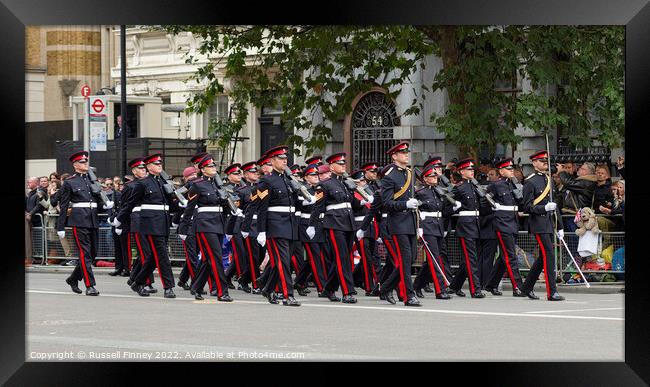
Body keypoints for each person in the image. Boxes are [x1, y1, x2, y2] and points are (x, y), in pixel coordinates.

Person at [115, 154, 179, 298]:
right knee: (162, 256)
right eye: (156, 164)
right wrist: (119, 219)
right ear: (149, 167)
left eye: (160, 163)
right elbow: (130, 203)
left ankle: (138, 282)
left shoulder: (164, 183)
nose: (159, 166)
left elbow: (170, 206)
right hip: (150, 224)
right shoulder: (142, 183)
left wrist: (180, 203)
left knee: (153, 257)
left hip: (163, 223)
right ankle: (168, 287)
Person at [57, 151, 113, 296]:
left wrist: (104, 206)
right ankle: (90, 285)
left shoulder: (92, 181)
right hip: (79, 221)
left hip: (93, 220)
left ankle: (73, 278)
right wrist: (60, 226)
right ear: (75, 165)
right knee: (85, 253)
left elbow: (95, 202)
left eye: (86, 161)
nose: (85, 163)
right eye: (82, 162)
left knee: (93, 253)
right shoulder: (69, 182)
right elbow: (64, 205)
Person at [179, 154, 234, 302]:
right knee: (216, 258)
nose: (213, 168)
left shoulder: (217, 185)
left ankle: (196, 287)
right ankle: (222, 291)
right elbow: (189, 208)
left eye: (214, 166)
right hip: (204, 225)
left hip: (218, 223)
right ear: (203, 170)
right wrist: (183, 228)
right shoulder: (197, 185)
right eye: (210, 166)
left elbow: (222, 206)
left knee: (208, 260)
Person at [308, 152, 359, 304]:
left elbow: (352, 204)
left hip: (348, 223)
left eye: (344, 163)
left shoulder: (345, 183)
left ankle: (329, 288)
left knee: (343, 258)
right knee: (342, 258)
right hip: (334, 224)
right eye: (340, 163)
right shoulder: (324, 185)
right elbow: (317, 207)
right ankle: (347, 292)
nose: (343, 165)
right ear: (331, 166)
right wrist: (312, 225)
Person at [255, 145, 301, 306]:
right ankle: (288, 294)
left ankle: (267, 288)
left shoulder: (288, 180)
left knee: (279, 261)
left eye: (285, 159)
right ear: (272, 161)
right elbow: (261, 208)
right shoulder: (266, 181)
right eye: (281, 159)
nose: (284, 161)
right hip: (275, 226)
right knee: (283, 261)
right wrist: (261, 231)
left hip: (289, 224)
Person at [378, 142, 422, 306]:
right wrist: (405, 205)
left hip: (410, 222)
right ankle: (409, 296)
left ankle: (386, 287)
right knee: (405, 259)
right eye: (402, 153)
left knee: (410, 260)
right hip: (397, 223)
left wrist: (419, 223)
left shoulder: (411, 174)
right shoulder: (390, 177)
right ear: (394, 156)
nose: (406, 155)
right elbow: (387, 203)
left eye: (406, 152)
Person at [520, 150, 565, 301]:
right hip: (538, 223)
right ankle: (551, 292)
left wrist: (560, 226)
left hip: (548, 223)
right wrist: (543, 208)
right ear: (534, 163)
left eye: (546, 160)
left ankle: (526, 287)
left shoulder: (549, 179)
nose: (545, 163)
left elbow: (555, 206)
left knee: (542, 258)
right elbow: (526, 207)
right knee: (549, 255)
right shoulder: (530, 181)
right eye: (541, 161)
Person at [483, 158, 527, 297]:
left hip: (513, 222)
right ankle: (518, 287)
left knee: (504, 256)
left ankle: (491, 284)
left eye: (512, 169)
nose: (511, 171)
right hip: (502, 222)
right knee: (510, 255)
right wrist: (494, 207)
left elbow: (521, 200)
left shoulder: (514, 184)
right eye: (508, 169)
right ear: (501, 171)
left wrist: (518, 185)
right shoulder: (496, 185)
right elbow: (485, 200)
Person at [413, 164, 454, 299]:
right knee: (435, 258)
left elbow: (441, 211)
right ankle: (440, 289)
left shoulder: (438, 192)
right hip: (427, 227)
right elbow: (416, 212)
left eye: (436, 176)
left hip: (438, 226)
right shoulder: (420, 193)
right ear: (425, 178)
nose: (435, 178)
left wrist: (453, 209)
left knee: (434, 258)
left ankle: (417, 285)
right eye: (432, 176)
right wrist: (419, 228)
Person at [447, 158, 486, 298]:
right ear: (462, 171)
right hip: (465, 225)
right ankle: (475, 289)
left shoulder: (475, 186)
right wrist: (454, 207)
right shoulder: (459, 187)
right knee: (471, 259)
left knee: (469, 260)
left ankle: (454, 286)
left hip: (475, 224)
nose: (472, 171)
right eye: (469, 169)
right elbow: (446, 206)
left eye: (472, 169)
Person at [293, 163, 328, 296]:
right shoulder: (302, 189)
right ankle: (322, 287)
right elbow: (301, 204)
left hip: (319, 223)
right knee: (315, 256)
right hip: (306, 223)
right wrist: (310, 200)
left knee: (315, 257)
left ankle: (299, 282)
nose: (316, 177)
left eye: (317, 174)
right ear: (306, 177)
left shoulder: (321, 188)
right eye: (312, 175)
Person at [235, 161, 263, 294]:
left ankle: (243, 279)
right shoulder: (241, 191)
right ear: (245, 175)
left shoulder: (262, 187)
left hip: (262, 225)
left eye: (256, 172)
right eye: (252, 172)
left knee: (261, 256)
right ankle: (256, 284)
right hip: (249, 225)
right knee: (253, 257)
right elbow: (236, 209)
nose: (256, 173)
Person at [175, 166, 201, 291]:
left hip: (196, 222)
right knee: (192, 255)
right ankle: (196, 283)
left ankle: (183, 279)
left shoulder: (190, 186)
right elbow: (177, 204)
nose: (193, 178)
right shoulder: (186, 188)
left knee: (193, 254)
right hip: (188, 223)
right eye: (191, 176)